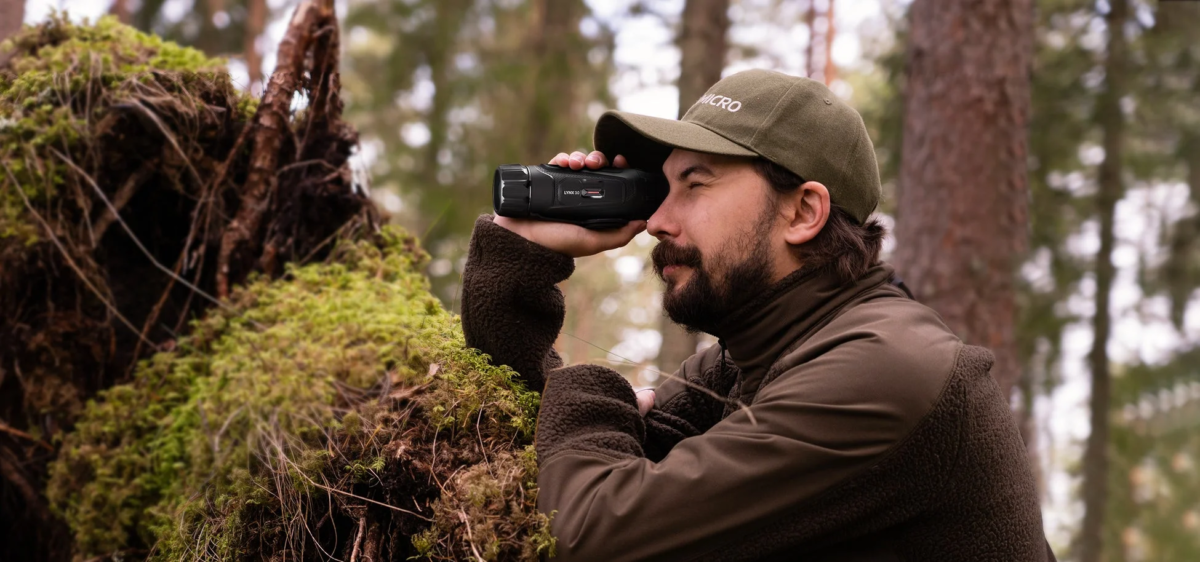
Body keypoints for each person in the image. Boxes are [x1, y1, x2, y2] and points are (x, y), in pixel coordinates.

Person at [460, 69, 1053, 561]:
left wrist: (590, 390)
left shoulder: (881, 372)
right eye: (660, 189)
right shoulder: (748, 360)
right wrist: (521, 254)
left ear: (803, 212)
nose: (658, 222)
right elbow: (535, 447)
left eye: (695, 185)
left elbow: (590, 533)